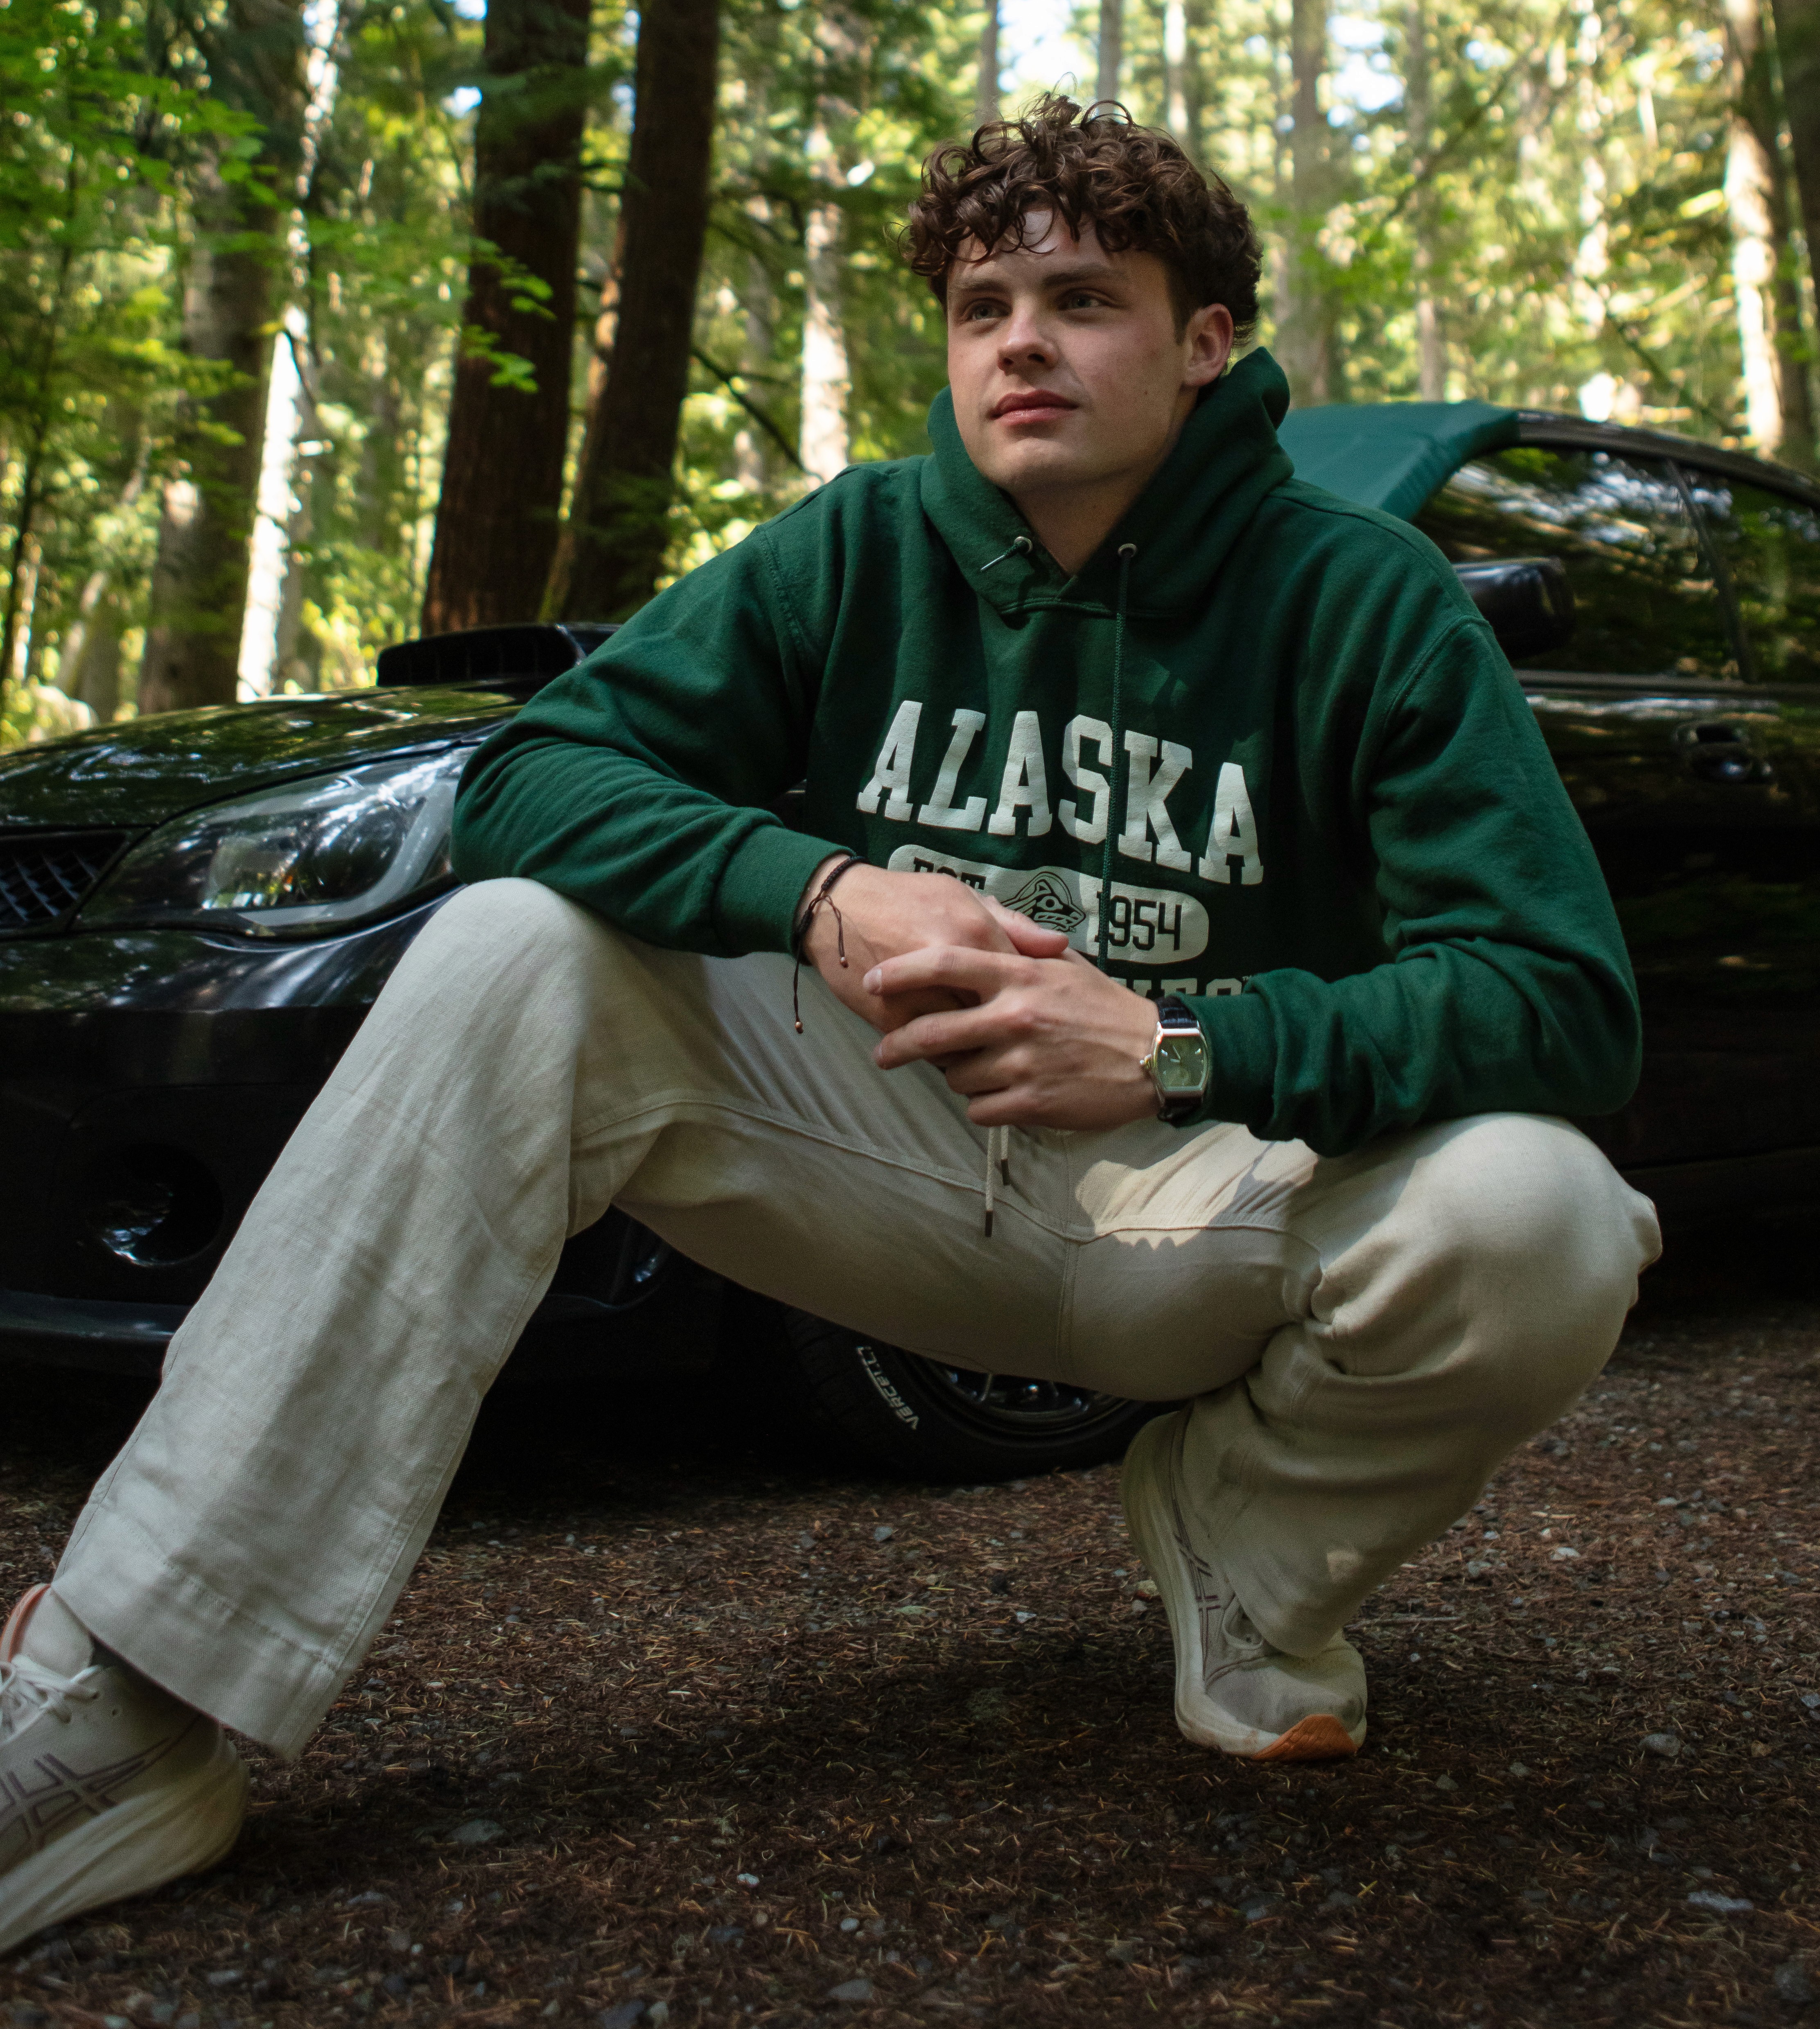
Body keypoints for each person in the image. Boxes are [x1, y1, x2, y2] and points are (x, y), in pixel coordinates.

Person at [0, 96, 1659, 1954]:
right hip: (890, 1171)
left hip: (1210, 1200)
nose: (1021, 339)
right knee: (510, 947)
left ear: (1204, 345)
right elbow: (532, 775)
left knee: (1541, 1212)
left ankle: (1249, 1546)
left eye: (1083, 298)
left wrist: (1182, 1045)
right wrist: (819, 890)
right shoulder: (858, 547)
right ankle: (131, 1693)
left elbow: (1559, 1005)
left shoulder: (1358, 602)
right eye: (979, 305)